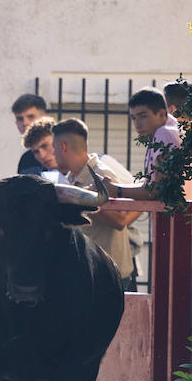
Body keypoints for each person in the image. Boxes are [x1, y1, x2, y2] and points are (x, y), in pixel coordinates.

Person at [51, 118, 138, 288]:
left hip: (109, 275)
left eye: (54, 148)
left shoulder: (101, 174)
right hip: (90, 270)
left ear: (63, 146)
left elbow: (120, 221)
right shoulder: (73, 177)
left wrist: (87, 199)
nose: (53, 154)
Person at [103, 89, 183, 202]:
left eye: (143, 116)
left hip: (173, 218)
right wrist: (113, 187)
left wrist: (115, 190)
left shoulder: (164, 133)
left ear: (161, 114)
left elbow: (157, 190)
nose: (137, 124)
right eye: (134, 118)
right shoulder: (169, 130)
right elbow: (151, 184)